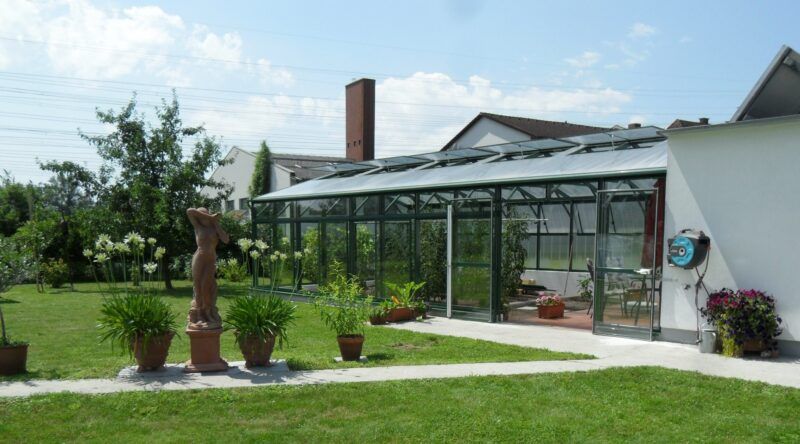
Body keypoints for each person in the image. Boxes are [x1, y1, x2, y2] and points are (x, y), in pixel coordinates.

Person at [186, 207, 229, 330]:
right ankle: (199, 315)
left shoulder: (213, 228)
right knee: (198, 287)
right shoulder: (198, 227)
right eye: (202, 217)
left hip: (210, 260)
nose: (204, 219)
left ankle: (209, 312)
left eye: (206, 216)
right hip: (199, 259)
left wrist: (215, 222)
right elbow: (189, 211)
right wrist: (210, 217)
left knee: (207, 286)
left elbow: (225, 240)